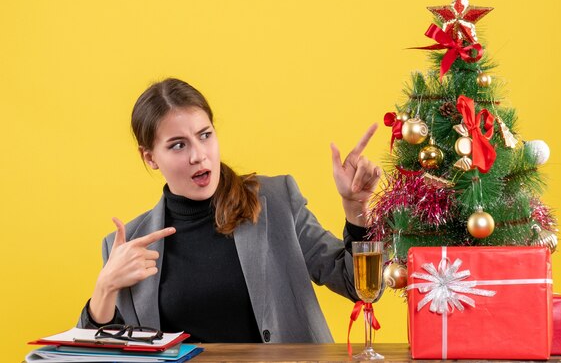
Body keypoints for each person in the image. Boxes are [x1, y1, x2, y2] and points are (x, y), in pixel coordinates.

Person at [77, 78, 381, 343]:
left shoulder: (276, 201)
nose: (199, 155)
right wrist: (105, 288)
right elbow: (98, 352)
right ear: (150, 158)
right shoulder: (130, 243)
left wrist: (356, 209)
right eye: (178, 145)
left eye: (205, 135)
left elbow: (360, 287)